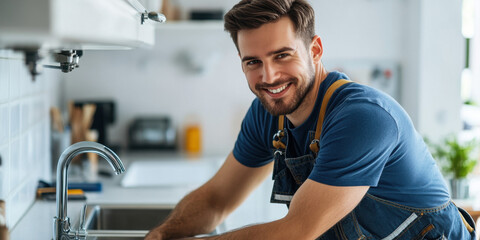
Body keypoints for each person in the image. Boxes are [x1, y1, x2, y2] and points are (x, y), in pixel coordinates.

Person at [145, 0, 476, 239]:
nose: (269, 76)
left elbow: (296, 232)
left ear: (315, 50)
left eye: (282, 55)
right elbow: (216, 200)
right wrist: (160, 235)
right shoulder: (267, 114)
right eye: (253, 62)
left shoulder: (363, 118)